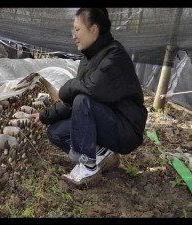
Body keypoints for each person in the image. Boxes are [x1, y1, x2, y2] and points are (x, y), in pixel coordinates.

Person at [31, 8, 148, 186]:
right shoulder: (89, 58)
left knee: (83, 99)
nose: (74, 36)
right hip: (107, 121)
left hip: (125, 129)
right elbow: (77, 101)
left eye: (77, 30)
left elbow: (87, 91)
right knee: (56, 133)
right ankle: (102, 152)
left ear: (93, 30)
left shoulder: (114, 55)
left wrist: (66, 88)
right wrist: (45, 116)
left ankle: (88, 167)